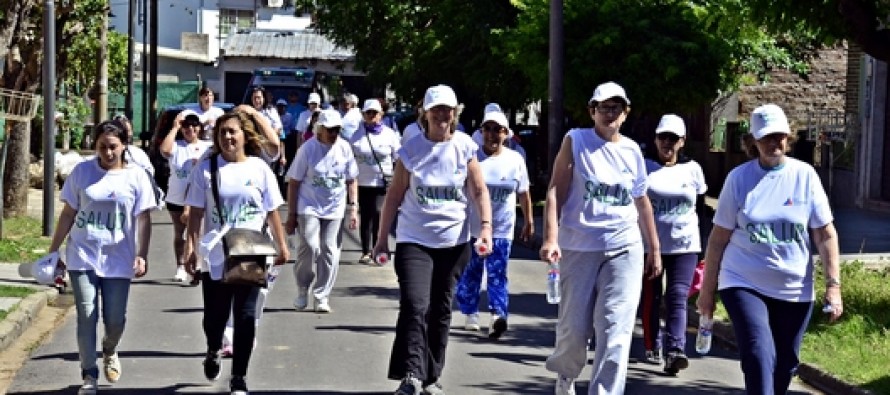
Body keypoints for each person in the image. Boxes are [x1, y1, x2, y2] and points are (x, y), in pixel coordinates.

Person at [697, 104, 843, 395]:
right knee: (758, 352)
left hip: (794, 288)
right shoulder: (739, 179)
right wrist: (707, 291)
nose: (774, 143)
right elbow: (718, 238)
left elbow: (825, 234)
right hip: (743, 280)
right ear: (753, 141)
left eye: (779, 136)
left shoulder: (804, 176)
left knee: (785, 364)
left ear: (788, 138)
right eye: (766, 137)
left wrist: (833, 286)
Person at [540, 81, 661, 395]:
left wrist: (654, 248)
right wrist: (551, 238)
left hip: (624, 246)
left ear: (625, 113)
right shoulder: (576, 140)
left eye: (616, 108)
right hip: (579, 245)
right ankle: (566, 374)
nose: (610, 113)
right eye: (604, 107)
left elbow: (641, 200)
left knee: (616, 328)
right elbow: (555, 190)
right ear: (592, 111)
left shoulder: (632, 150)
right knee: (574, 328)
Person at [371, 84, 493, 395]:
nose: (441, 115)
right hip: (414, 240)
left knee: (440, 310)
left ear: (455, 113)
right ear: (424, 113)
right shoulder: (411, 149)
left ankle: (431, 377)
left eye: (447, 110)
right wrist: (382, 239)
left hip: (454, 244)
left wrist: (486, 228)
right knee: (415, 304)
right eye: (435, 109)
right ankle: (412, 374)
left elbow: (479, 191)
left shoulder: (465, 147)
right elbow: (395, 195)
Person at [46, 119, 156, 395]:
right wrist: (54, 250)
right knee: (86, 313)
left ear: (124, 146)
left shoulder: (136, 176)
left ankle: (110, 349)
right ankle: (89, 373)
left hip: (119, 257)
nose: (108, 152)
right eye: (102, 147)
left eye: (113, 147)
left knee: (115, 319)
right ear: (96, 146)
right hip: (82, 253)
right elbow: (68, 213)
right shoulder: (82, 172)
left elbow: (143, 219)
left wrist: (142, 254)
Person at [183, 111, 289, 395]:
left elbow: (272, 210)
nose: (227, 137)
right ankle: (213, 348)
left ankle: (239, 376)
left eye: (232, 131)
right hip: (217, 253)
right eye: (222, 132)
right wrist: (190, 248)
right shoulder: (207, 169)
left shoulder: (259, 168)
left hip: (251, 252)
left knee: (245, 315)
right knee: (214, 316)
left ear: (244, 135)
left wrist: (281, 244)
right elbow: (196, 212)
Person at [454, 108, 534, 340]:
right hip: (473, 228)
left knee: (497, 273)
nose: (491, 135)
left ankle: (498, 315)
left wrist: (528, 220)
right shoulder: (473, 158)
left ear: (506, 133)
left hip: (502, 228)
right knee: (472, 272)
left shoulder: (515, 160)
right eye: (487, 129)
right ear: (481, 132)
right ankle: (470, 313)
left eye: (497, 130)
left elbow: (524, 193)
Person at [638, 114, 707, 374]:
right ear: (656, 139)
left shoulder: (693, 169)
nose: (667, 142)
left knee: (678, 296)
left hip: (685, 245)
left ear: (682, 141)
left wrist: (705, 247)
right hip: (649, 246)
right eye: (663, 137)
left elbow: (701, 209)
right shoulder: (644, 167)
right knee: (651, 297)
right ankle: (652, 343)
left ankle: (675, 350)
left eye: (673, 138)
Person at [286, 109, 359, 312]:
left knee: (329, 250)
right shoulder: (307, 149)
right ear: (320, 129)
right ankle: (303, 287)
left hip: (335, 207)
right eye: (330, 130)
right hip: (309, 205)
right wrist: (291, 215)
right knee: (310, 246)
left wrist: (353, 208)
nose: (334, 134)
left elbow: (352, 179)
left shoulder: (344, 148)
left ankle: (321, 296)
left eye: (337, 130)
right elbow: (294, 183)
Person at [159, 110, 213, 284]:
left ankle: (197, 267)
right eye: (186, 126)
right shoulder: (177, 145)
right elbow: (164, 150)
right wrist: (175, 127)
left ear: (200, 128)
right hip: (176, 198)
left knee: (198, 233)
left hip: (199, 198)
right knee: (180, 234)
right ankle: (181, 266)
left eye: (194, 125)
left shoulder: (207, 146)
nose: (190, 129)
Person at [348, 99, 401, 264]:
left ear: (381, 114)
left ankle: (378, 248)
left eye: (374, 113)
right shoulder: (356, 135)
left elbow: (398, 159)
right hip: (362, 182)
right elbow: (350, 158)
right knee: (366, 216)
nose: (371, 115)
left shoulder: (390, 135)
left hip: (382, 183)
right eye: (368, 113)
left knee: (379, 213)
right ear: (363, 114)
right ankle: (366, 251)